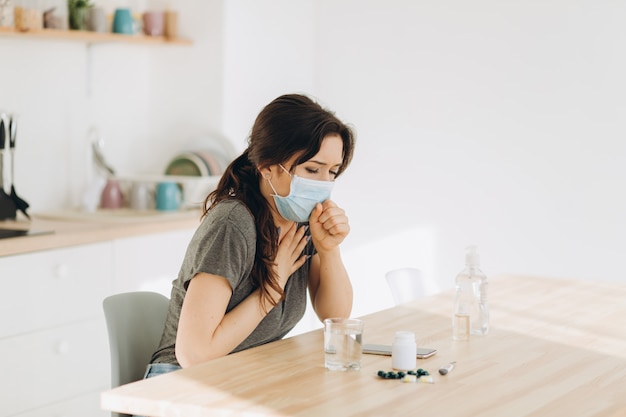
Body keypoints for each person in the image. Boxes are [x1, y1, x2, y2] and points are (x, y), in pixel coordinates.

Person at [145, 93, 356, 378]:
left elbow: (337, 317)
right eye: (312, 169)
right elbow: (194, 354)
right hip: (179, 381)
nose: (324, 184)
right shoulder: (233, 224)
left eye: (332, 172)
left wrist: (329, 248)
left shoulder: (303, 222)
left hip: (243, 374)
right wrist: (273, 286)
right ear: (267, 166)